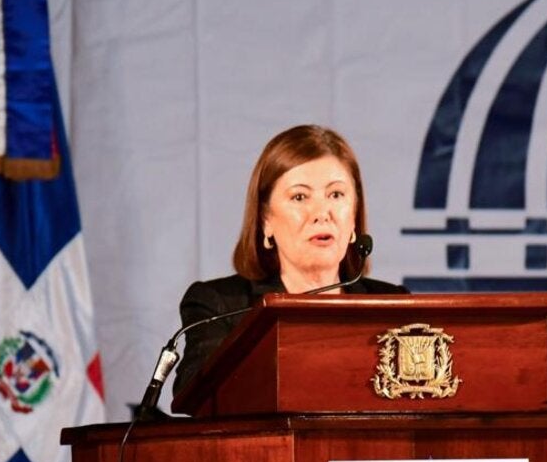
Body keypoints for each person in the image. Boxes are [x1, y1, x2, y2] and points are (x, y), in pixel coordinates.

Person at [172, 124, 407, 397]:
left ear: (354, 216)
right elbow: (197, 395)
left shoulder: (392, 305)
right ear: (266, 220)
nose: (322, 213)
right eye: (300, 197)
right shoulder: (221, 306)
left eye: (336, 195)